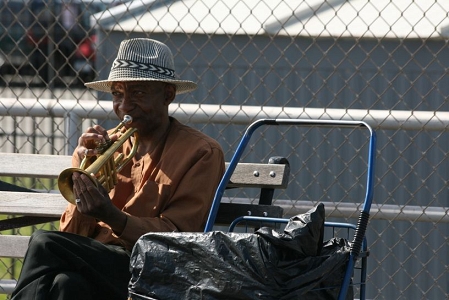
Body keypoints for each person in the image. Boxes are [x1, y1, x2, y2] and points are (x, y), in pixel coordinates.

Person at [11, 38, 225, 300]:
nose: (124, 106)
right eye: (117, 93)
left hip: (156, 270)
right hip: (99, 261)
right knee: (67, 284)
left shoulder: (201, 152)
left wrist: (112, 216)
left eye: (138, 93)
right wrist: (83, 182)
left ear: (167, 94)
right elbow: (72, 236)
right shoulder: (104, 145)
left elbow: (177, 239)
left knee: (44, 242)